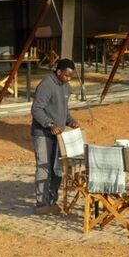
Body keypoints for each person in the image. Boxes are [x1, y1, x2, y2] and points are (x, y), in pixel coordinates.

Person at [31, 57, 80, 208]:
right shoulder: (46, 85)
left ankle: (52, 200)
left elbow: (63, 110)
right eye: (66, 75)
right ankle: (41, 203)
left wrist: (70, 121)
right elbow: (36, 109)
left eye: (71, 76)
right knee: (44, 166)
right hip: (42, 133)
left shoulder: (66, 86)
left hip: (59, 135)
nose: (68, 78)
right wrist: (50, 124)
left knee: (57, 168)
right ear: (58, 72)